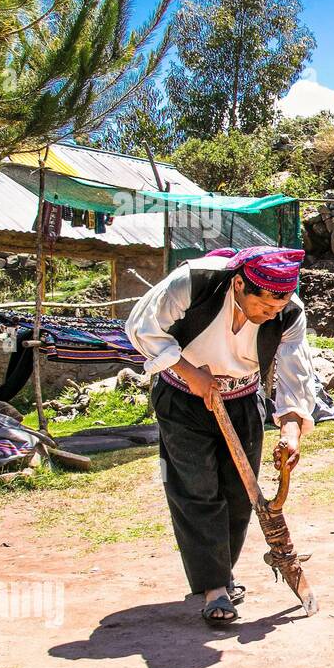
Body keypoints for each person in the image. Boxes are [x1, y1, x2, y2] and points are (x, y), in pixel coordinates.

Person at [126, 246, 317, 626]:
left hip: (243, 399)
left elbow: (295, 369)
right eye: (263, 307)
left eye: (275, 311)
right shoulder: (194, 282)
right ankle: (213, 587)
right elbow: (141, 328)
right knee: (196, 487)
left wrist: (291, 427)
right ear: (240, 284)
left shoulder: (289, 311)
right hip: (182, 394)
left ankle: (223, 571)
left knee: (238, 493)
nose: (269, 315)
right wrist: (189, 370)